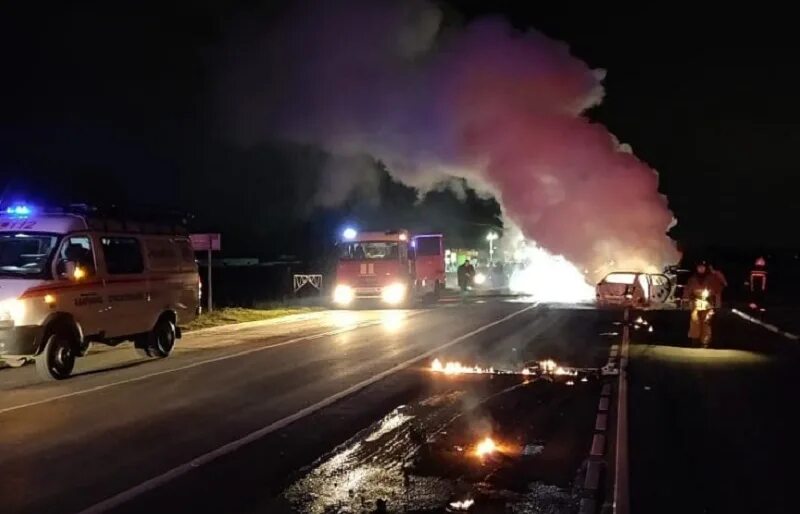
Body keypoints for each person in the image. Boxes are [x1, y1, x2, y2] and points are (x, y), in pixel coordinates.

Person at [682, 260, 725, 347]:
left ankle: (705, 341)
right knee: (694, 321)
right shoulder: (692, 279)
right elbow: (687, 291)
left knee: (706, 322)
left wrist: (717, 304)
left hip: (707, 303)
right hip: (695, 303)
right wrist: (686, 300)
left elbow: (718, 290)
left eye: (703, 267)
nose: (701, 269)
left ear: (705, 268)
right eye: (699, 267)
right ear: (697, 268)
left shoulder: (711, 278)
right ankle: (695, 340)